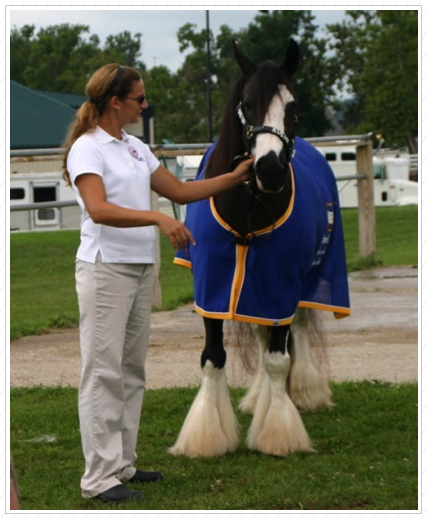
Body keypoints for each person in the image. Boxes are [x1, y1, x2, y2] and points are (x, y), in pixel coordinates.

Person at [62, 63, 253, 504]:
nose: (144, 105)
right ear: (116, 101)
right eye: (139, 99)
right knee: (103, 372)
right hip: (105, 266)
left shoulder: (134, 147)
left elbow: (182, 191)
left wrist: (236, 175)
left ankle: (122, 464)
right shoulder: (88, 149)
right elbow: (98, 209)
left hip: (139, 266)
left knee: (131, 370)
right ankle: (98, 479)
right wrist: (156, 217)